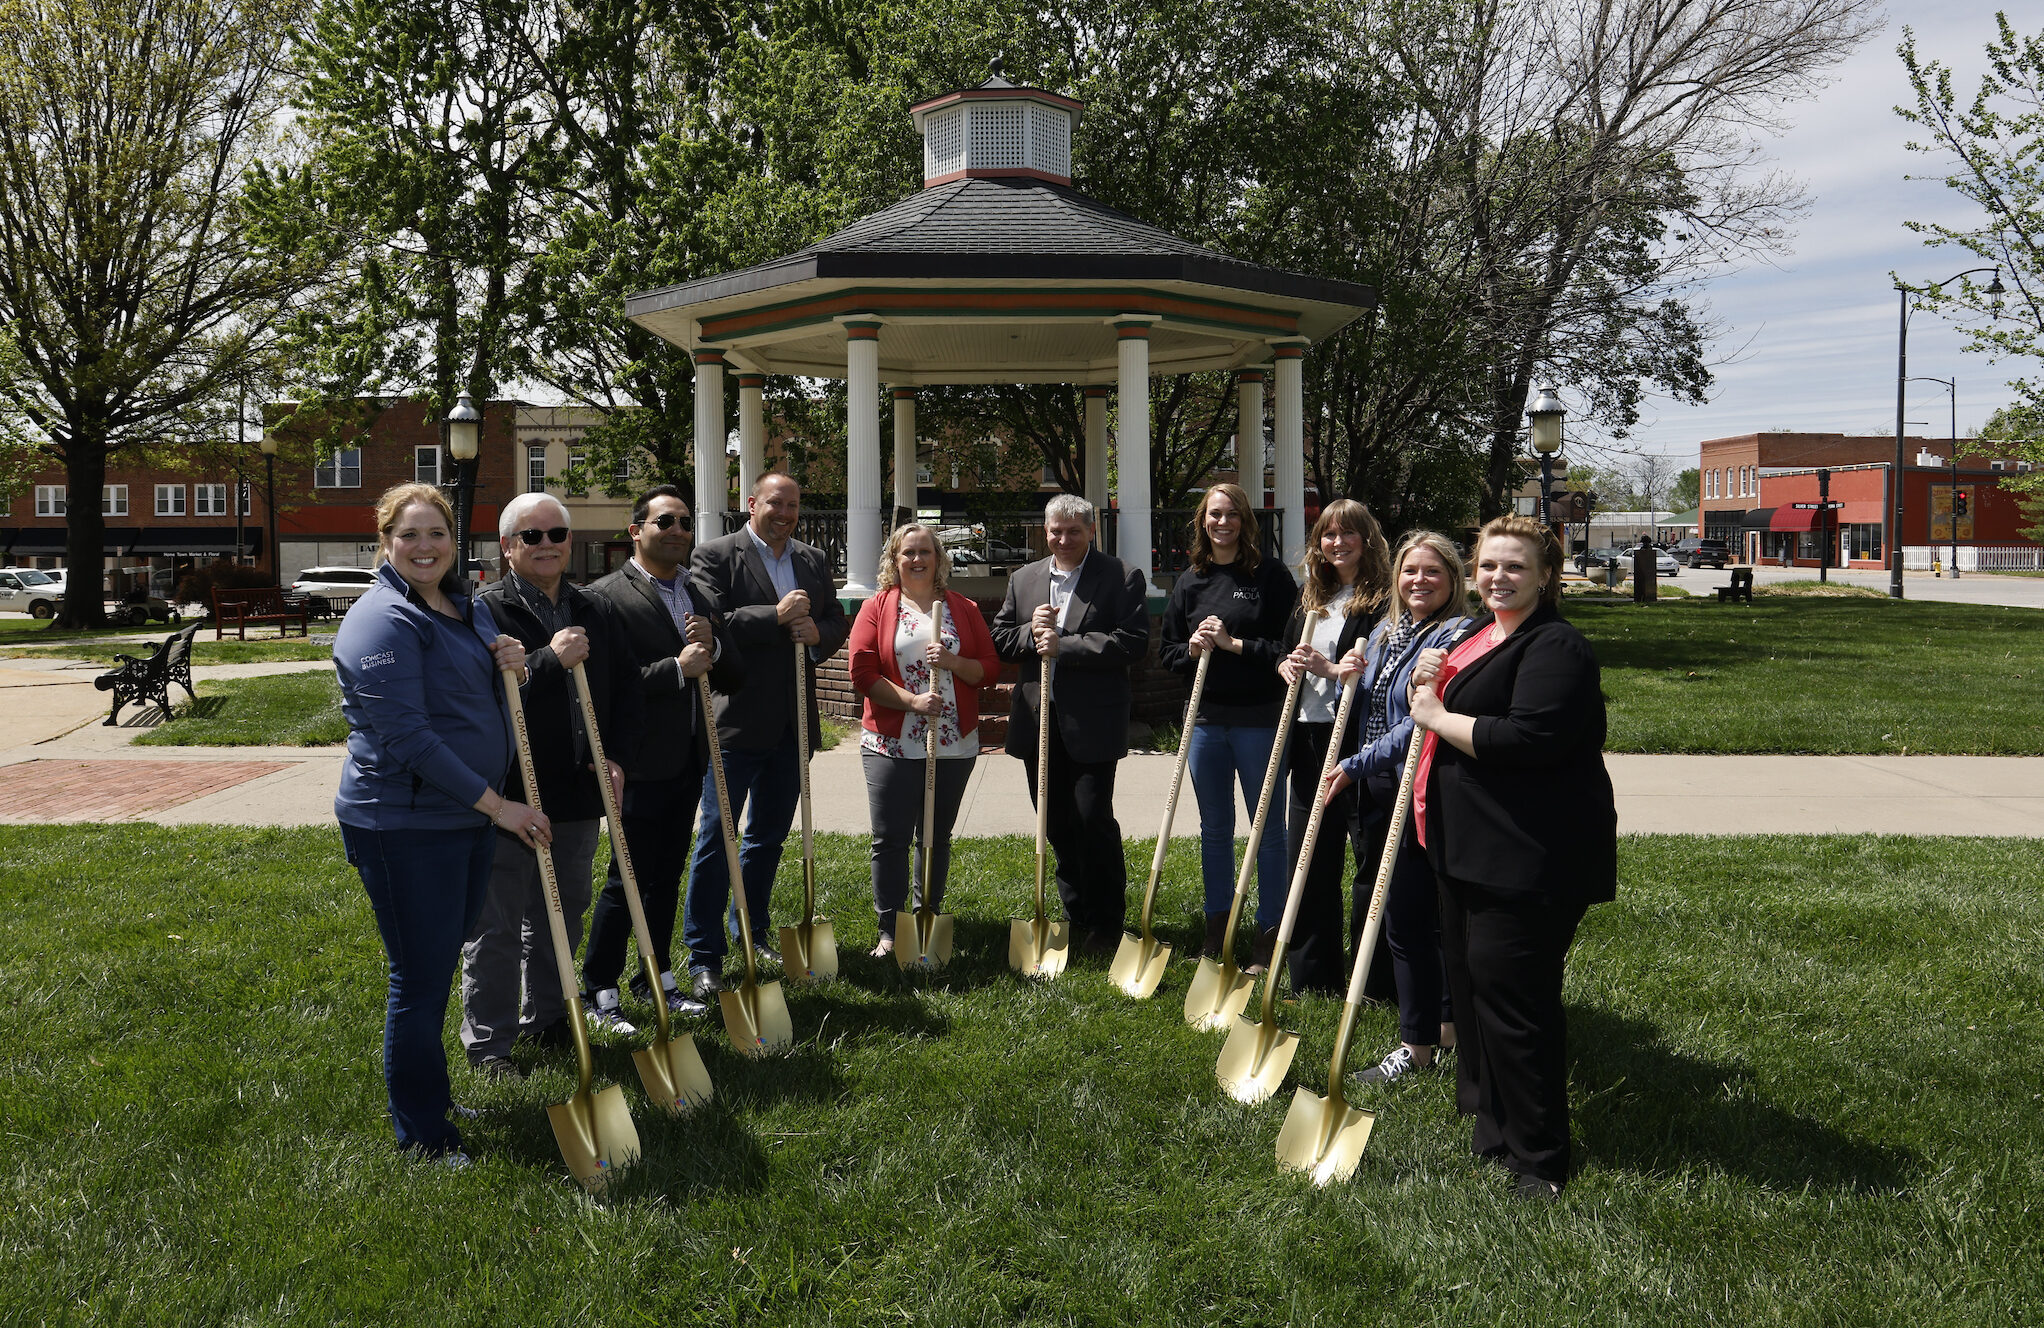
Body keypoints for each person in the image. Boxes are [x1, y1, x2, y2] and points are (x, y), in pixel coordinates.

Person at [1405, 514, 1617, 1199]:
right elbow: (1435, 698)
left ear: (1547, 576)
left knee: (1516, 1003)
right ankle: (1491, 1125)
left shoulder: (1556, 649)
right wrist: (1429, 682)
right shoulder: (1483, 634)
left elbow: (1529, 739)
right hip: (1465, 851)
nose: (1499, 577)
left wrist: (1436, 716)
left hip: (1529, 858)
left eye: (1515, 567)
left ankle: (1541, 1159)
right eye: (1489, 565)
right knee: (1470, 994)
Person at [333, 482, 538, 1164]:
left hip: (463, 821)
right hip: (404, 825)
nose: (425, 547)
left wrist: (515, 663)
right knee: (417, 980)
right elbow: (410, 740)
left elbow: (480, 690)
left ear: (456, 542)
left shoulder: (463, 606)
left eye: (437, 534)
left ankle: (432, 1096)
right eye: (409, 535)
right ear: (385, 543)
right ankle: (422, 1135)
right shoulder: (380, 621)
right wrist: (500, 805)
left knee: (438, 965)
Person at [460, 494, 640, 1077]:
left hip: (574, 790)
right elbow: (480, 696)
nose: (546, 545)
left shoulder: (594, 608)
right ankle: (490, 1044)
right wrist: (545, 659)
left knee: (562, 912)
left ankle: (547, 1017)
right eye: (530, 536)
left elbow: (614, 691)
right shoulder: (484, 611)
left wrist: (612, 755)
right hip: (510, 794)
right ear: (507, 546)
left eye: (556, 534)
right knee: (499, 922)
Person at [684, 472, 849, 1003]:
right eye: (775, 503)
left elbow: (833, 619)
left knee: (767, 838)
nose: (785, 513)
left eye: (794, 505)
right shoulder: (715, 555)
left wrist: (818, 633)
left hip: (792, 726)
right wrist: (774, 619)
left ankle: (750, 931)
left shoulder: (811, 558)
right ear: (750, 503)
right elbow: (710, 620)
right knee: (718, 839)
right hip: (734, 722)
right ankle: (703, 955)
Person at [582, 485, 742, 1024]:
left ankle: (655, 974)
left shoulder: (700, 595)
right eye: (664, 521)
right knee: (624, 876)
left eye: (684, 523)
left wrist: (715, 649)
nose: (677, 531)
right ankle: (598, 987)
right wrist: (678, 668)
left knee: (666, 875)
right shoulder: (605, 597)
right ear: (636, 531)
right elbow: (606, 686)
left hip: (686, 760)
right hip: (636, 762)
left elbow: (733, 672)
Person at [1320, 530, 1471, 1084]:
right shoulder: (1386, 631)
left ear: (1453, 579)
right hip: (1383, 790)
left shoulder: (1457, 635)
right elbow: (1356, 708)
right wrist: (1347, 673)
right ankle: (1434, 1033)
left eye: (1433, 571)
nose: (1419, 581)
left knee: (1426, 917)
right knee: (1405, 915)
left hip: (1427, 787)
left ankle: (1428, 1039)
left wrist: (1353, 765)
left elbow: (1419, 725)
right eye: (1410, 571)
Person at [990, 493, 1149, 956]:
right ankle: (1075, 913)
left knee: (1091, 817)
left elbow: (1132, 643)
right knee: (1055, 822)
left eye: (1073, 531)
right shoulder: (1025, 578)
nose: (1063, 539)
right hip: (1039, 720)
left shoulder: (1120, 577)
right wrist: (1029, 634)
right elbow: (1001, 638)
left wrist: (1067, 645)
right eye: (1055, 531)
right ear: (1046, 530)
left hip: (1092, 723)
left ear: (1091, 531)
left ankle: (1106, 921)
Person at [1157, 482, 1300, 970]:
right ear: (1202, 521)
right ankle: (1216, 930)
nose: (1223, 523)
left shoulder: (1271, 577)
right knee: (1214, 829)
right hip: (1206, 721)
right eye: (1214, 515)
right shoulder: (1190, 580)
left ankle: (1267, 935)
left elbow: (1287, 651)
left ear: (1246, 521)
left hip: (1260, 719)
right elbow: (1168, 653)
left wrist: (1234, 643)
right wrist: (1194, 648)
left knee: (1268, 831)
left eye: (1232, 514)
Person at [846, 523, 1000, 955]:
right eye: (907, 553)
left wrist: (952, 661)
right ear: (894, 561)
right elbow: (862, 673)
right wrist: (913, 702)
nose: (916, 560)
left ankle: (927, 916)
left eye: (925, 552)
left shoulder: (962, 608)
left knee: (934, 835)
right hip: (891, 743)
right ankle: (890, 930)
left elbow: (988, 669)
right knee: (890, 838)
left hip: (952, 741)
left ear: (939, 559)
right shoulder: (877, 607)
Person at [1273, 499, 1391, 994]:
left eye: (1347, 534)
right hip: (1307, 735)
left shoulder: (1383, 600)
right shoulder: (1310, 597)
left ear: (1367, 539)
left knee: (1369, 858)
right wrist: (1286, 664)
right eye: (1327, 535)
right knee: (1310, 857)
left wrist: (1331, 670)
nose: (1337, 543)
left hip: (1357, 739)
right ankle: (1313, 978)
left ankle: (1375, 979)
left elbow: (1380, 667)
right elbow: (1286, 649)